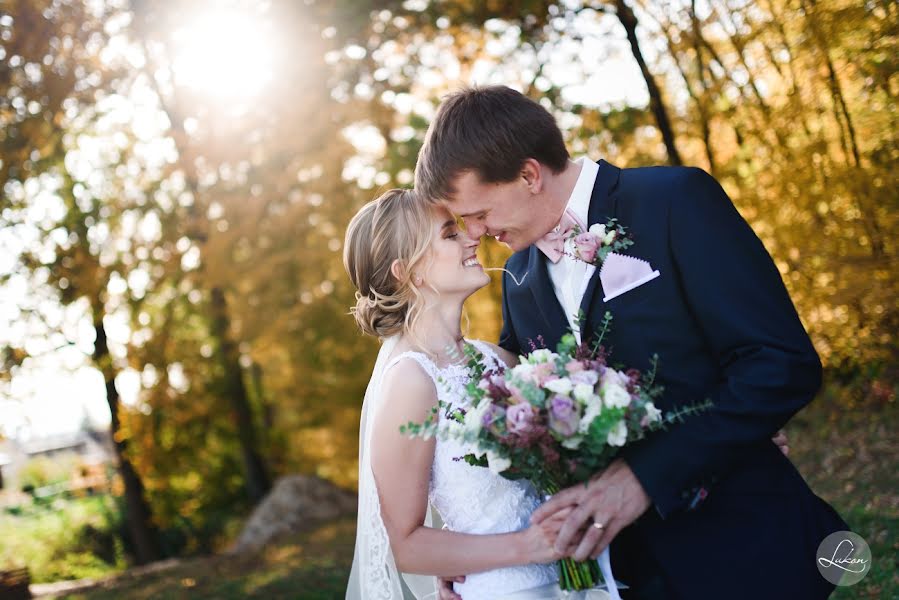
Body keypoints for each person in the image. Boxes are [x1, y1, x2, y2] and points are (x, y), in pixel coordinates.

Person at [414, 85, 847, 600]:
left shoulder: (675, 201)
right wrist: (468, 550)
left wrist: (644, 477)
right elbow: (522, 430)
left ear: (529, 175)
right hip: (623, 576)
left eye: (481, 213)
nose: (479, 233)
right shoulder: (519, 276)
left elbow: (781, 365)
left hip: (745, 547)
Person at [343, 188, 612, 599]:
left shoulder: (500, 359)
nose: (473, 237)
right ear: (409, 272)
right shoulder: (411, 383)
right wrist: (526, 547)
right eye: (451, 234)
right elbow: (405, 545)